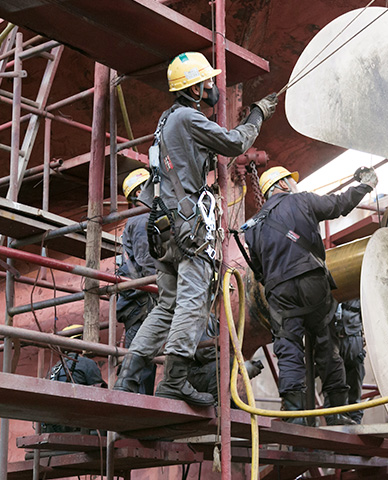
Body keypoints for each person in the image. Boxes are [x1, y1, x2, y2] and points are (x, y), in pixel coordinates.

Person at [114, 51, 277, 407]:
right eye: (207, 82)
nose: (212, 87)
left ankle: (128, 376)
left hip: (166, 229)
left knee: (166, 305)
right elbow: (235, 144)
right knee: (191, 301)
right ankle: (175, 379)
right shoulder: (189, 117)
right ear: (194, 89)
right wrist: (257, 115)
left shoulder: (166, 120)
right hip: (190, 231)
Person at [243, 165, 378, 425]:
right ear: (281, 185)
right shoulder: (302, 201)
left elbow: (257, 268)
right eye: (290, 182)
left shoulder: (252, 227)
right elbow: (338, 205)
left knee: (289, 348)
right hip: (312, 283)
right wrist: (365, 186)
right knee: (326, 344)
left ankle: (295, 414)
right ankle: (336, 412)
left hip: (279, 292)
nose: (294, 185)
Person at [115, 169, 158, 395]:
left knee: (143, 357)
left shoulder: (139, 219)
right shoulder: (143, 218)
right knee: (142, 357)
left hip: (139, 299)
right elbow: (147, 263)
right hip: (143, 300)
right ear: (140, 191)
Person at [42, 325, 106, 433]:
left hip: (50, 426)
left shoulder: (54, 368)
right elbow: (101, 394)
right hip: (71, 425)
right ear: (81, 340)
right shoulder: (86, 363)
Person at [329, 299, 366, 424]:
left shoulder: (357, 291)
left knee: (354, 382)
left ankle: (356, 420)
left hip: (353, 339)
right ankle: (333, 419)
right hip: (332, 340)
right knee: (332, 383)